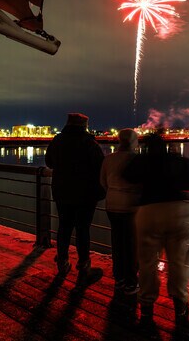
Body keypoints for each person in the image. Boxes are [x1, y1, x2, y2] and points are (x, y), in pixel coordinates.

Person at [123, 133, 189, 325]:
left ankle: (147, 307)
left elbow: (127, 176)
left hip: (149, 211)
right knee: (180, 261)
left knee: (147, 262)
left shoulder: (142, 161)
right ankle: (181, 307)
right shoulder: (177, 160)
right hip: (179, 210)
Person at [45, 113, 105, 285]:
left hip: (62, 192)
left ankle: (63, 262)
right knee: (82, 229)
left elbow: (49, 162)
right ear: (84, 125)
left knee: (64, 226)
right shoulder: (89, 143)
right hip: (85, 194)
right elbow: (99, 166)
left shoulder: (57, 140)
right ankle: (84, 265)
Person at [100, 128, 142, 295]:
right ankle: (131, 282)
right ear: (134, 142)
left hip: (112, 205)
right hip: (132, 207)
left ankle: (119, 279)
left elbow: (103, 182)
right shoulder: (137, 160)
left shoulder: (108, 159)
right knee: (133, 244)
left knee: (117, 243)